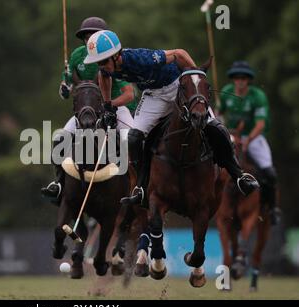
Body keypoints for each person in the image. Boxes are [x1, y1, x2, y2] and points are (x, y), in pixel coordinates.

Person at [83, 30, 260, 206]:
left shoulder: (140, 58)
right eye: (98, 62)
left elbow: (178, 53)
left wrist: (194, 75)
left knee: (215, 127)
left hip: (177, 86)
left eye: (104, 61)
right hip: (154, 95)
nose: (102, 66)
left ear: (116, 56)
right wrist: (107, 106)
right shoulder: (106, 68)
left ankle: (239, 176)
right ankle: (141, 187)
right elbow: (104, 76)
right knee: (134, 137)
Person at [41, 18, 137, 204]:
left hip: (117, 109)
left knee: (131, 139)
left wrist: (109, 105)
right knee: (60, 139)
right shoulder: (77, 56)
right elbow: (67, 82)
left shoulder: (113, 57)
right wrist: (64, 88)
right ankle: (59, 183)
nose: (89, 39)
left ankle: (137, 185)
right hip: (89, 111)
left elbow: (130, 94)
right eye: (86, 36)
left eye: (92, 35)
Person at [219, 61, 281, 225]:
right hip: (230, 136)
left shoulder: (257, 96)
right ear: (233, 79)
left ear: (248, 80)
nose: (240, 81)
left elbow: (260, 124)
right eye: (237, 78)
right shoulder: (226, 92)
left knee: (269, 172)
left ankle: (272, 207)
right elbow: (218, 114)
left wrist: (247, 141)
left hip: (252, 137)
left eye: (243, 78)